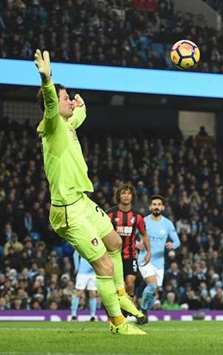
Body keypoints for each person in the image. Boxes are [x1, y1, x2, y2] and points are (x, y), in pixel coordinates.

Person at [34, 49, 144, 335]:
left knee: (115, 243)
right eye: (66, 97)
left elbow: (79, 114)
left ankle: (120, 294)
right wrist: (47, 80)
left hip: (83, 201)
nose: (70, 100)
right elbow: (50, 103)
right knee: (104, 266)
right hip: (67, 211)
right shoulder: (52, 125)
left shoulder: (67, 124)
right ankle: (118, 324)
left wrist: (80, 105)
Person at [107, 183, 151, 323]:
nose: (126, 196)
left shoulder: (137, 216)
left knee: (130, 283)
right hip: (114, 256)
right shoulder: (110, 214)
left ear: (132, 196)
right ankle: (116, 314)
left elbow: (144, 235)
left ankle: (126, 312)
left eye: (128, 193)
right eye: (123, 193)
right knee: (115, 287)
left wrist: (148, 251)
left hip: (130, 255)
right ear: (119, 196)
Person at [137, 195, 180, 323]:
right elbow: (131, 236)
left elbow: (177, 241)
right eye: (154, 204)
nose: (156, 206)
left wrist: (173, 245)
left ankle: (144, 310)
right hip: (144, 259)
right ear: (150, 207)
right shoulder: (143, 221)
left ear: (163, 207)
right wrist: (135, 244)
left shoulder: (167, 223)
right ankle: (142, 310)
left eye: (159, 204)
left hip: (159, 262)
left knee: (154, 291)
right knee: (151, 285)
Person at [71, 250, 97, 321]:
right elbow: (75, 254)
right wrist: (77, 267)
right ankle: (73, 314)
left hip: (93, 273)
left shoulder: (98, 242)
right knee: (78, 292)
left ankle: (93, 316)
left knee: (93, 293)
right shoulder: (83, 240)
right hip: (82, 272)